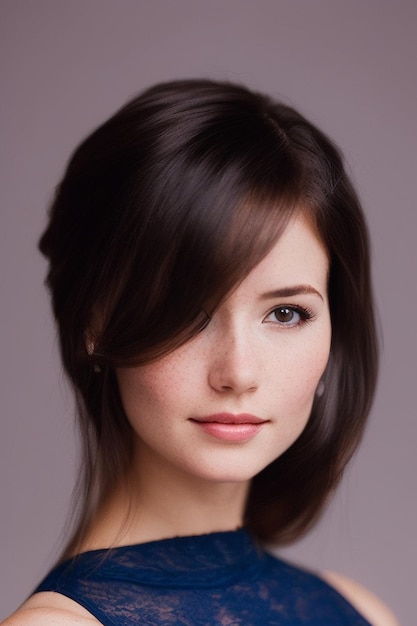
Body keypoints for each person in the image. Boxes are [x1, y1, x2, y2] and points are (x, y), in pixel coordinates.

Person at [5, 79, 398, 625]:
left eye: (286, 313)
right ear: (95, 325)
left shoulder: (363, 614)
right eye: (190, 313)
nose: (238, 372)